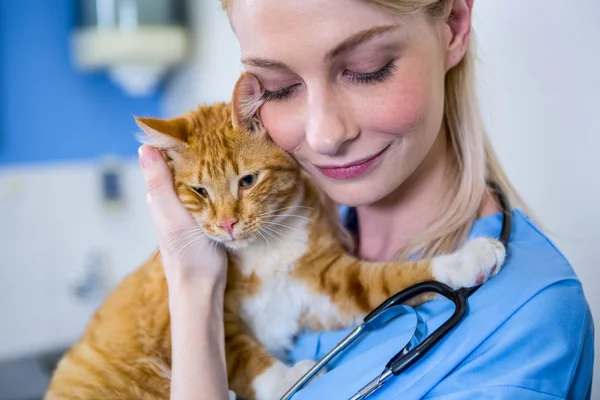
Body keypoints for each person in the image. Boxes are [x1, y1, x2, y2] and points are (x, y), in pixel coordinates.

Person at [138, 0, 594, 399]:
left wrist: (194, 297)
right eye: (277, 87)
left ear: (452, 25)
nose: (324, 135)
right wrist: (193, 285)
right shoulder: (281, 223)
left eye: (366, 68)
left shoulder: (528, 320)